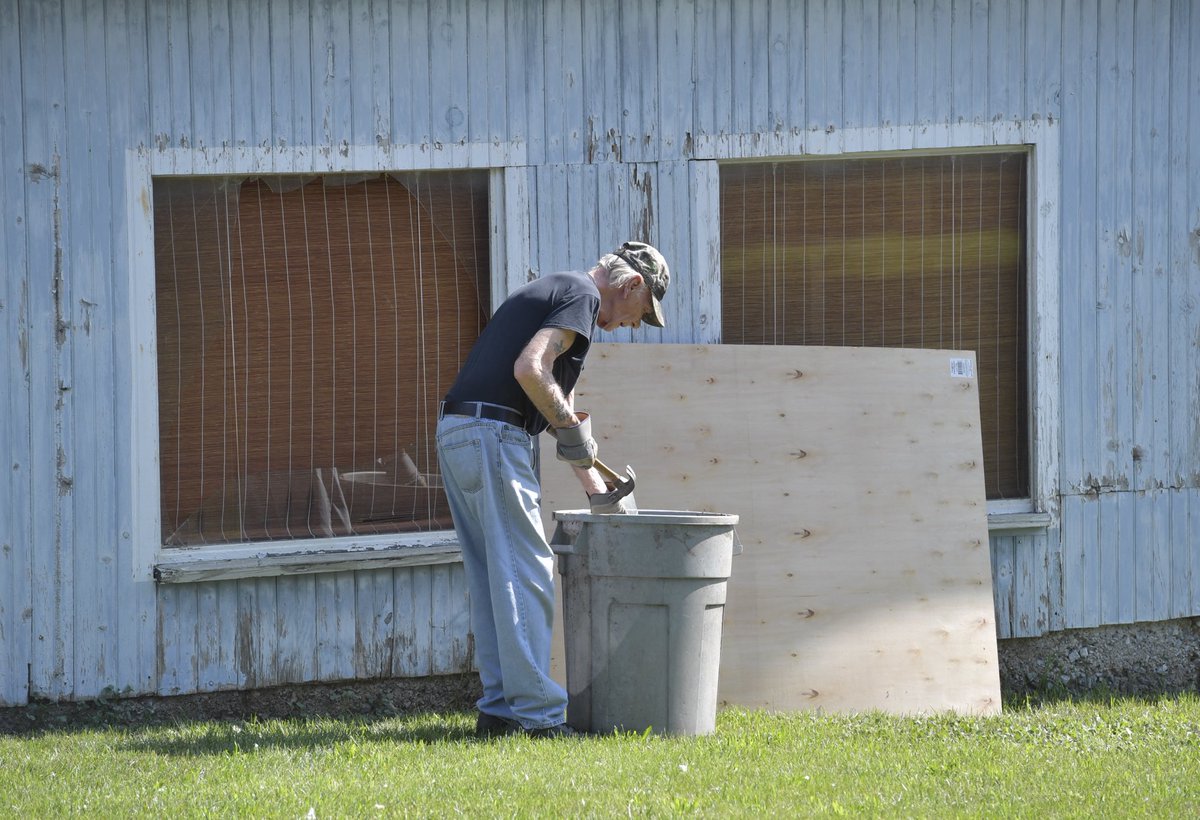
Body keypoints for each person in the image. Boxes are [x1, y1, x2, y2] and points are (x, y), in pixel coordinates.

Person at [435, 241, 670, 738]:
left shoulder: (559, 288)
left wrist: (596, 489)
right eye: (640, 313)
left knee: (494, 578)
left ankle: (499, 711)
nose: (631, 326)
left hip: (460, 431)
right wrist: (569, 428)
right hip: (494, 435)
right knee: (528, 573)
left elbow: (549, 404)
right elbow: (530, 370)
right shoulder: (583, 296)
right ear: (632, 286)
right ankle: (539, 718)